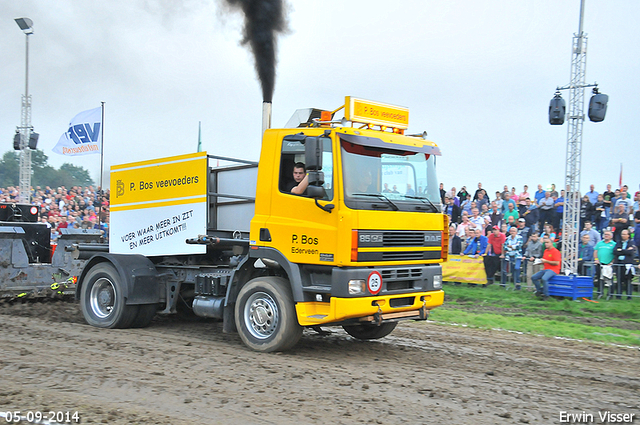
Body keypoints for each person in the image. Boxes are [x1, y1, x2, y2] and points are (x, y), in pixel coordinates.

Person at [613, 229, 636, 299]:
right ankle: (618, 295)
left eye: (625, 234)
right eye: (622, 234)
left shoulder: (631, 243)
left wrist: (621, 250)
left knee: (628, 280)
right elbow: (615, 251)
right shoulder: (618, 242)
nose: (623, 236)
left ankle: (629, 296)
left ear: (628, 235)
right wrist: (626, 251)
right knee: (619, 280)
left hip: (627, 264)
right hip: (619, 263)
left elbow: (631, 252)